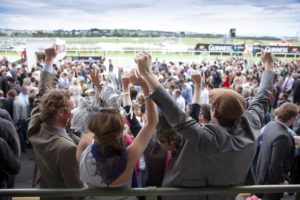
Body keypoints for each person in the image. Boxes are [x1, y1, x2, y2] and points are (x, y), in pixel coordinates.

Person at [134, 50, 275, 200]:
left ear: (213, 113)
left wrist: (148, 74)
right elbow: (263, 97)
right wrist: (269, 65)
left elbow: (176, 115)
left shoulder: (211, 140)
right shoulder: (251, 124)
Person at [75, 69, 158, 200]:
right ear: (121, 132)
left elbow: (92, 117)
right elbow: (152, 122)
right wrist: (145, 87)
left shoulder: (83, 150)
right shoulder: (129, 156)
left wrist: (99, 90)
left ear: (94, 132)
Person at [27, 45, 83, 199]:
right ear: (60, 112)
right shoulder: (67, 149)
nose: (76, 111)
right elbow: (79, 192)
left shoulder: (36, 129)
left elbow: (41, 96)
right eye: (73, 107)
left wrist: (48, 61)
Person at [256, 103, 299, 200]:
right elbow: (276, 163)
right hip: (272, 181)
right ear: (292, 118)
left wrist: (292, 140)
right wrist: (282, 181)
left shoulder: (271, 125)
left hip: (262, 174)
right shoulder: (283, 137)